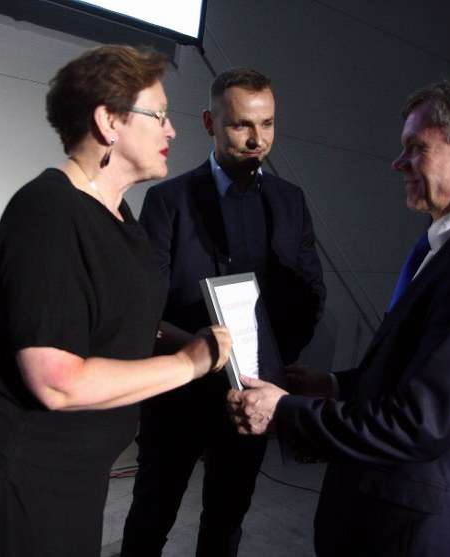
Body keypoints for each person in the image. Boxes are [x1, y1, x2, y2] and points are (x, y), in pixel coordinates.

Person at [227, 75, 450, 557]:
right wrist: (332, 384)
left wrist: (283, 412)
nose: (398, 162)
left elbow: (419, 423)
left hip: (412, 533)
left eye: (416, 148)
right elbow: (416, 375)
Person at [0, 45, 232, 557]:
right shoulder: (48, 212)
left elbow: (121, 320)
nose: (171, 131)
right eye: (159, 115)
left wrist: (198, 342)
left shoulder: (118, 215)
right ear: (109, 121)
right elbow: (57, 381)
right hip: (23, 472)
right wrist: (189, 363)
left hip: (77, 471)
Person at [121, 68, 325, 557]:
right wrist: (196, 353)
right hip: (178, 393)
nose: (258, 139)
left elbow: (311, 293)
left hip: (252, 395)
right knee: (151, 515)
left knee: (227, 520)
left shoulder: (290, 201)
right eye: (241, 125)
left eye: (267, 124)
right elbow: (141, 304)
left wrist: (271, 364)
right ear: (210, 122)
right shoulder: (168, 200)